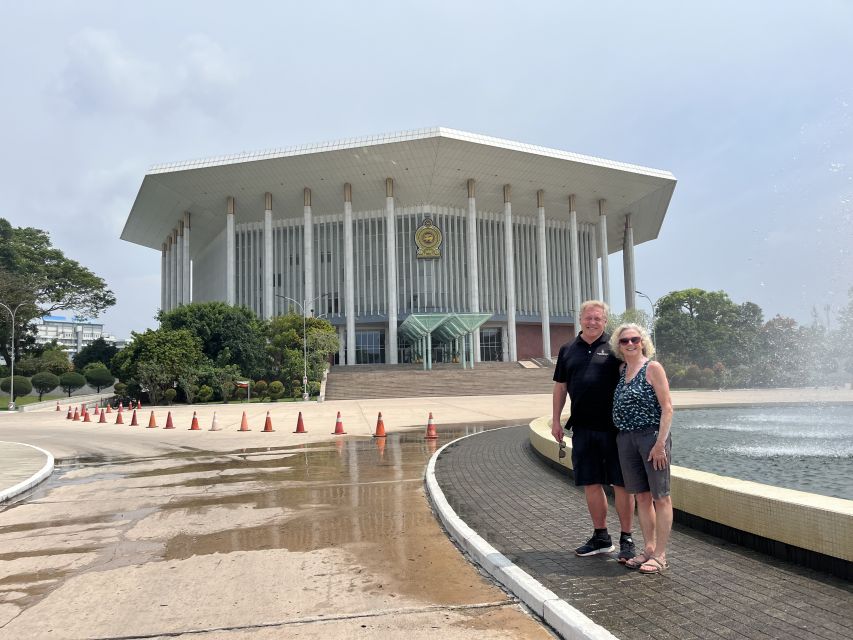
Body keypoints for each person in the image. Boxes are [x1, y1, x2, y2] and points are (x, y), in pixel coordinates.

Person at [552, 300, 636, 561]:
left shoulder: (616, 347)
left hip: (614, 429)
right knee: (590, 482)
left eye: (598, 319)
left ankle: (627, 538)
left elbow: (635, 374)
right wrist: (556, 420)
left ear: (605, 321)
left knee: (621, 483)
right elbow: (560, 387)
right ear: (580, 319)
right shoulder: (568, 350)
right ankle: (601, 537)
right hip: (583, 428)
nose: (592, 322)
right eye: (588, 318)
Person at [610, 323, 674, 575]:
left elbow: (667, 407)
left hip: (651, 438)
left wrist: (660, 445)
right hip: (626, 439)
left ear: (643, 341)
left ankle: (660, 554)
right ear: (619, 345)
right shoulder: (622, 369)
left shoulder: (653, 368)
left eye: (634, 339)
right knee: (642, 496)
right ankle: (648, 548)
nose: (630, 344)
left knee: (661, 496)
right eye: (624, 341)